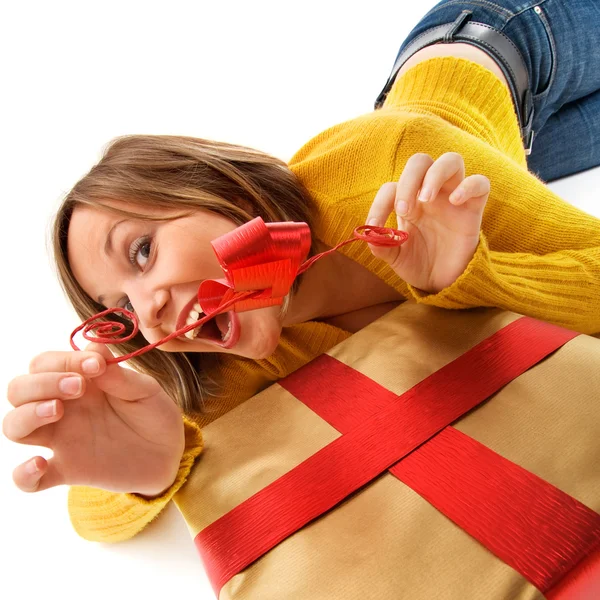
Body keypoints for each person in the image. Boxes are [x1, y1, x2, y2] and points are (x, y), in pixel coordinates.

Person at [4, 0, 600, 544]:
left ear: (217, 192)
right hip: (514, 143)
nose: (149, 308)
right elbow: (93, 504)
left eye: (140, 252)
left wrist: (471, 276)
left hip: (504, 39)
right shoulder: (221, 363)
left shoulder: (386, 170)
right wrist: (155, 469)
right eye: (123, 309)